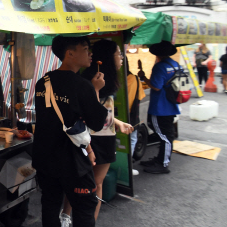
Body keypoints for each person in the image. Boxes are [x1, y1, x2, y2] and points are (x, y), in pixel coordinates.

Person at [32, 36, 108, 227]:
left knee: (50, 204)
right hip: (72, 162)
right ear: (70, 53)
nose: (90, 53)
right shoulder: (82, 86)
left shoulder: (43, 82)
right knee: (85, 208)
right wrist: (96, 90)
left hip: (45, 158)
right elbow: (98, 122)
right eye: (85, 49)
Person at [61, 40, 134, 225]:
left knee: (97, 183)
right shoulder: (89, 80)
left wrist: (116, 122)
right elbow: (86, 111)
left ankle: (88, 221)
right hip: (88, 138)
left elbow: (104, 108)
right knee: (81, 180)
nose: (121, 58)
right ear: (108, 58)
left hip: (106, 136)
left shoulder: (107, 79)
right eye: (118, 54)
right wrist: (94, 89)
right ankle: (66, 216)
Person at [137, 41, 180, 174]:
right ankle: (160, 159)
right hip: (171, 105)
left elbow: (156, 86)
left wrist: (144, 77)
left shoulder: (160, 66)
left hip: (161, 108)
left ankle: (163, 164)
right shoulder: (175, 64)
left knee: (165, 136)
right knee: (165, 134)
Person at [126, 58, 146, 175]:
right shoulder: (134, 79)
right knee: (132, 140)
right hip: (130, 117)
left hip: (114, 116)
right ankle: (128, 167)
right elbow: (140, 96)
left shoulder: (108, 78)